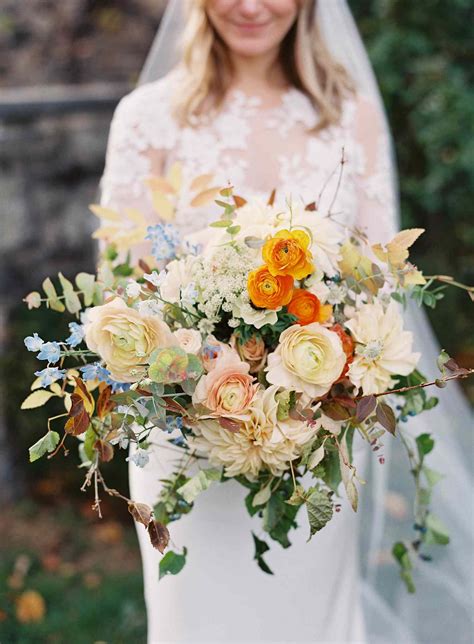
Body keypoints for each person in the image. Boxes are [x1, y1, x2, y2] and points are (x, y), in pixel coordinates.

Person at [99, 1, 473, 642]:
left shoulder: (345, 112)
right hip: (181, 436)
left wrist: (316, 385)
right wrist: (202, 377)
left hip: (313, 437)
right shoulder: (147, 118)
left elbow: (380, 279)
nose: (249, 7)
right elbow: (120, 286)